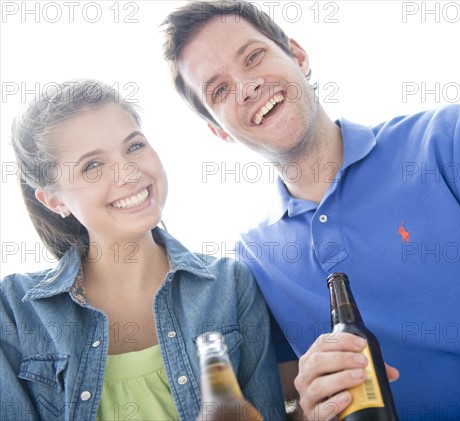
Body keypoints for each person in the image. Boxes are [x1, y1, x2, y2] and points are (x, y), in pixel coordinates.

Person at [162, 1, 460, 419]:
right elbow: (288, 405)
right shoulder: (252, 261)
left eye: (253, 57)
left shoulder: (448, 140)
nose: (247, 85)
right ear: (218, 131)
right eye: (219, 89)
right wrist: (311, 411)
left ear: (297, 54)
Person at [0, 79, 285, 420]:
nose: (130, 173)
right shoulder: (16, 309)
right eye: (93, 165)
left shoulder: (230, 285)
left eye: (134, 147)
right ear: (53, 200)